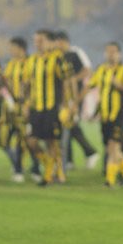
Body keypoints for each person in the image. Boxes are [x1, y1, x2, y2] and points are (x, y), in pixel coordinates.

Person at [84, 42, 123, 187]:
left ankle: (110, 180)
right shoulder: (100, 70)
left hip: (120, 115)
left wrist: (120, 85)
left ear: (119, 54)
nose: (111, 54)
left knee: (114, 146)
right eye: (108, 51)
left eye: (114, 51)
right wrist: (94, 114)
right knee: (111, 148)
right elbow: (98, 93)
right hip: (105, 117)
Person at [25, 30, 71, 186]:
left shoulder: (58, 58)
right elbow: (27, 83)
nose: (37, 43)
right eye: (36, 40)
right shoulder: (31, 60)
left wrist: (66, 105)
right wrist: (25, 103)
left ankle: (51, 175)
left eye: (41, 40)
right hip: (35, 107)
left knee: (52, 142)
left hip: (52, 107)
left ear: (51, 42)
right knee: (31, 141)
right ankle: (51, 168)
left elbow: (66, 82)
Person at [54, 31, 99, 171]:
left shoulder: (76, 52)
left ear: (64, 41)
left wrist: (73, 80)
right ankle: (69, 161)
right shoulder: (57, 56)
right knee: (65, 127)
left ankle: (90, 152)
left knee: (71, 125)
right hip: (60, 97)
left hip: (74, 96)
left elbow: (87, 71)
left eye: (58, 41)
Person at [1, 36, 36, 182]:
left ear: (21, 49)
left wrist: (27, 104)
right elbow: (6, 81)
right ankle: (29, 166)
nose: (10, 51)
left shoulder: (30, 63)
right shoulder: (11, 64)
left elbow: (31, 85)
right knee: (5, 139)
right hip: (12, 108)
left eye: (12, 48)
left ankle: (22, 169)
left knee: (24, 139)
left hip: (26, 107)